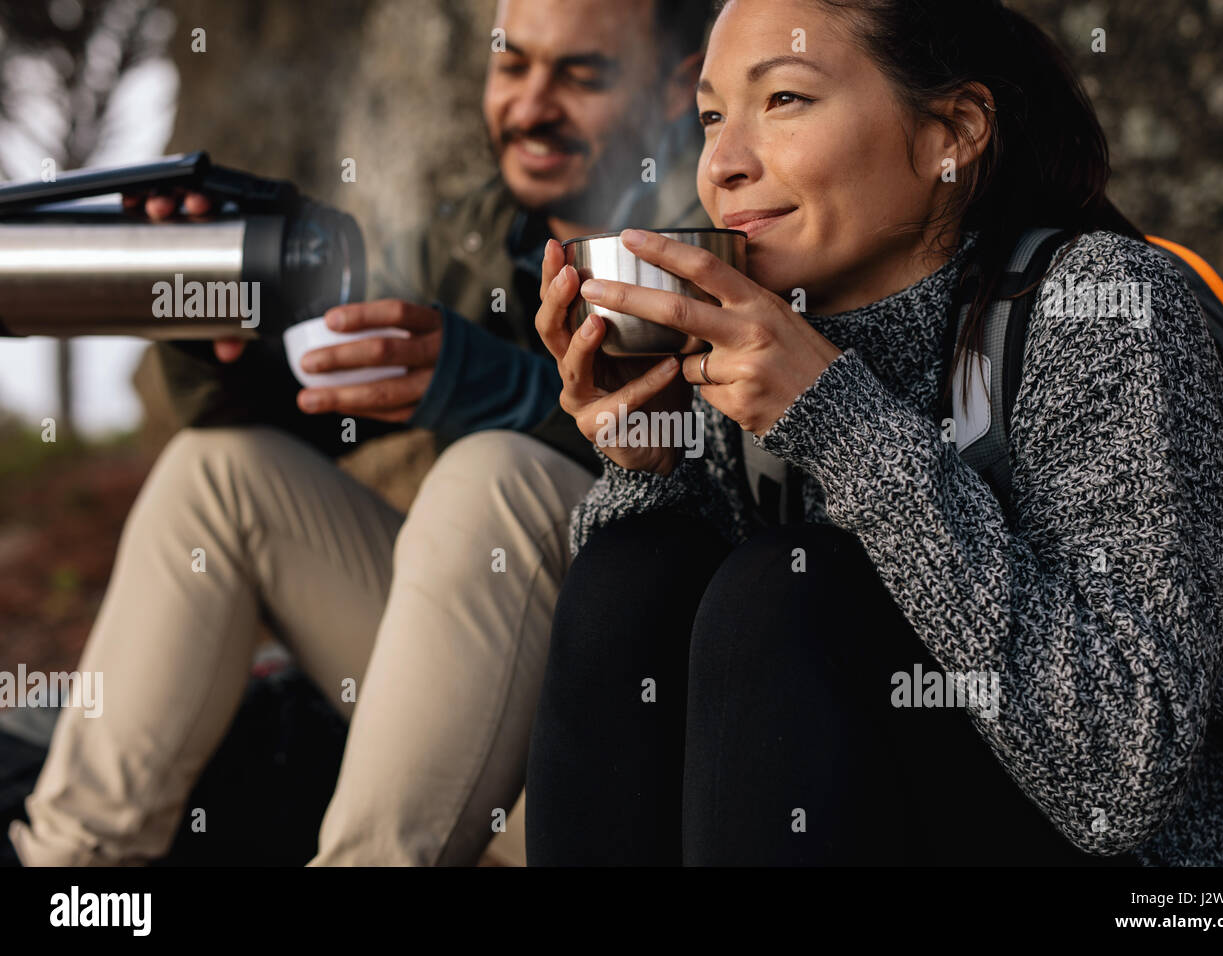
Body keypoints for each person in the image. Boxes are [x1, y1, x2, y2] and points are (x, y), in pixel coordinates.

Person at [526, 0, 1223, 865]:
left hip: (1169, 883)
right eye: (710, 116)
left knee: (785, 591)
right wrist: (649, 460)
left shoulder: (1099, 306)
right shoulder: (756, 333)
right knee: (630, 577)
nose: (721, 165)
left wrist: (837, 417)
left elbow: (1123, 776)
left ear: (953, 133)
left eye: (783, 99)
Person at [8, 0, 712, 867]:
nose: (530, 105)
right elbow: (301, 398)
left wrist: (495, 391)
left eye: (580, 74)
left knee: (491, 471)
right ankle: (69, 873)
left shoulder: (718, 223)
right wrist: (211, 324)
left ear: (681, 87)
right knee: (221, 472)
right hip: (487, 743)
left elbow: (740, 469)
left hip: (644, 775)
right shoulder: (478, 234)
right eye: (512, 65)